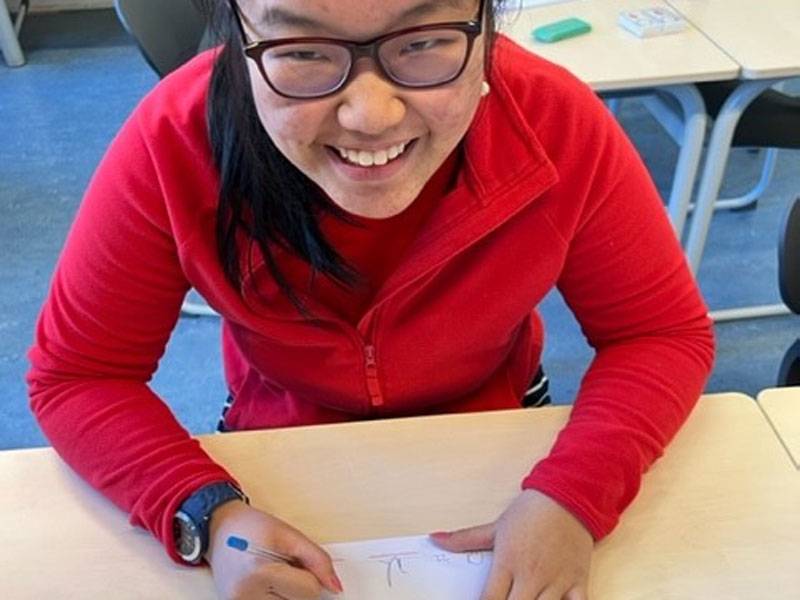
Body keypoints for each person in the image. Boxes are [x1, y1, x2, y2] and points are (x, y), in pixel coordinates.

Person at [27, 0, 714, 598]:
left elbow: (659, 333)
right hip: (277, 433)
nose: (370, 115)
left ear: (486, 25)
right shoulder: (174, 140)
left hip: (500, 426)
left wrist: (573, 496)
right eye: (302, 51)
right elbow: (79, 374)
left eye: (425, 41)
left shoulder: (554, 120)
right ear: (238, 33)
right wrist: (209, 513)